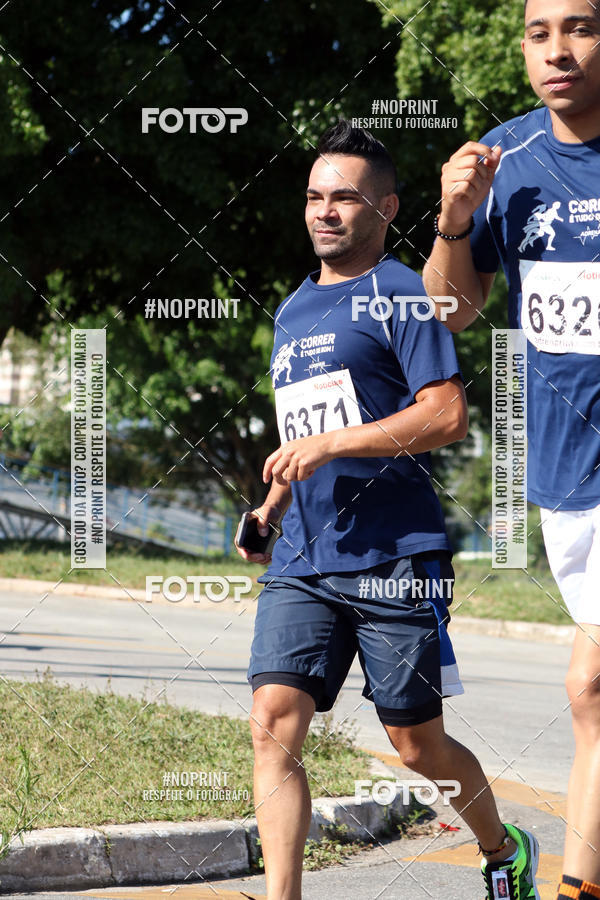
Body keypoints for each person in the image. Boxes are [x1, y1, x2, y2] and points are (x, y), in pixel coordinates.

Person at [236, 119, 539, 900]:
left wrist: (336, 446)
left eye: (344, 198)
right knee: (273, 720)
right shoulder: (292, 311)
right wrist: (270, 507)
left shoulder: (403, 292)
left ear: (386, 208)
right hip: (304, 556)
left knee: (415, 744)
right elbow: (303, 432)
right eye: (313, 197)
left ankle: (503, 850)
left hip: (394, 556)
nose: (324, 211)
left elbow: (445, 416)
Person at [423, 2, 600, 899]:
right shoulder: (508, 160)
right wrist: (456, 221)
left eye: (582, 27)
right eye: (539, 33)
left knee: (592, 681)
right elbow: (450, 311)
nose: (558, 50)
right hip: (567, 470)